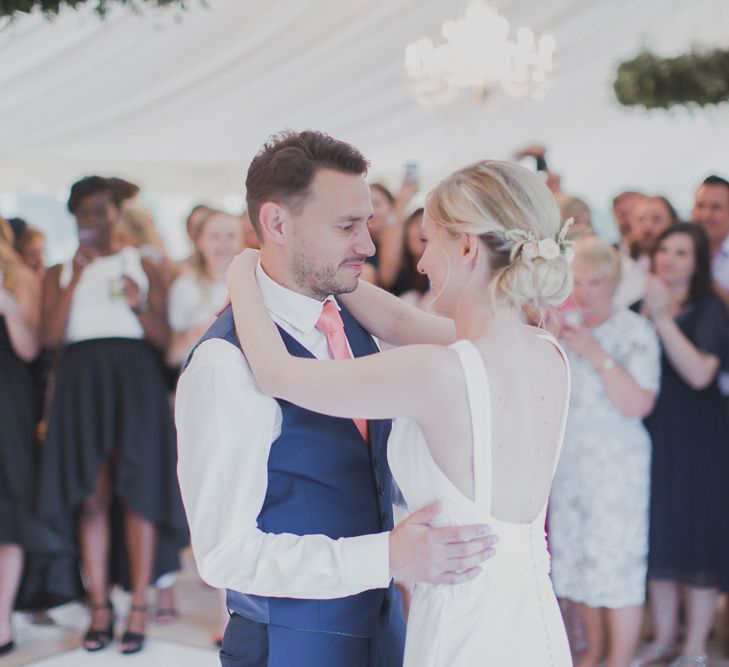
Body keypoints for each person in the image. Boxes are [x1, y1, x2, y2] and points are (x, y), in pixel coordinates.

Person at [229, 139, 574, 665]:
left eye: (427, 241)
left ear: (466, 250)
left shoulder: (438, 372)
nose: (421, 259)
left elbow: (278, 374)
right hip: (531, 617)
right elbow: (398, 321)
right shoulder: (545, 352)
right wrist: (321, 262)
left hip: (466, 624)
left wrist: (244, 269)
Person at [175, 131, 501, 667]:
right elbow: (224, 554)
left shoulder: (351, 313)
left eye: (367, 223)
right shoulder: (225, 365)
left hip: (384, 632)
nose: (368, 246)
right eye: (346, 226)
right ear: (277, 224)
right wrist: (388, 555)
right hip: (291, 645)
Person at [37, 176, 188, 655]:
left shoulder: (142, 264)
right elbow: (47, 338)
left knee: (139, 490)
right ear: (75, 219)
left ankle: (138, 606)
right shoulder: (60, 272)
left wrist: (139, 303)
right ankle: (100, 606)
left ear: (114, 215)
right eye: (84, 214)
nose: (94, 222)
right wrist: (77, 278)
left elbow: (164, 341)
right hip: (82, 383)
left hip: (134, 381)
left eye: (101, 212)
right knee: (92, 493)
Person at [549, 237, 659, 667]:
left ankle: (621, 658)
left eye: (595, 282)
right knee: (578, 562)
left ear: (612, 284)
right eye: (577, 280)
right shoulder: (562, 326)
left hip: (618, 467)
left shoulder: (635, 332)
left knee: (618, 563)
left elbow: (639, 404)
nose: (585, 289)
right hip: (570, 463)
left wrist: (597, 356)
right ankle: (593, 653)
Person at [633, 223, 729, 666]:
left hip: (698, 442)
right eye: (664, 250)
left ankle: (694, 649)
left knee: (695, 539)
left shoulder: (708, 309)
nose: (669, 259)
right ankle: (663, 637)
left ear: (698, 261)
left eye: (681, 252)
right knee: (660, 538)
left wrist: (664, 319)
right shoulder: (638, 307)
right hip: (651, 440)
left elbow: (699, 373)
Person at [166, 209, 243, 369]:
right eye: (214, 236)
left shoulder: (254, 284)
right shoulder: (185, 287)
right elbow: (173, 356)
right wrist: (200, 332)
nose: (223, 244)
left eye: (230, 236)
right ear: (199, 241)